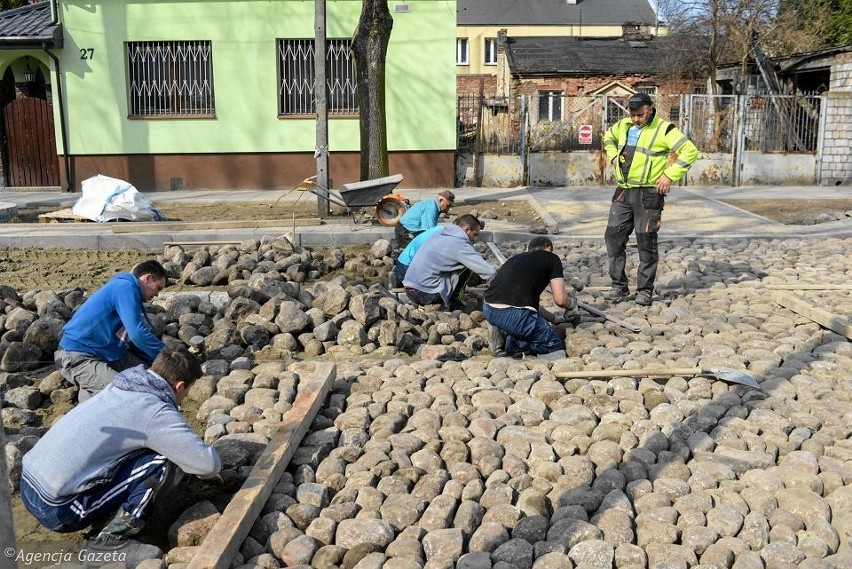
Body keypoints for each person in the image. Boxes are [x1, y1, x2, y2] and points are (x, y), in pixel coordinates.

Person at [20, 346, 221, 562]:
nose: (185, 397)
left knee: (142, 447)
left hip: (28, 483)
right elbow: (207, 464)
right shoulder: (153, 410)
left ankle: (105, 510)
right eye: (187, 391)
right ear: (179, 386)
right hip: (57, 508)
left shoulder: (120, 386)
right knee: (162, 461)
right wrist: (201, 471)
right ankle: (110, 541)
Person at [602, 92, 698, 306]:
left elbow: (690, 151)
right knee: (613, 238)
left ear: (650, 109)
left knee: (646, 242)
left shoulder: (664, 130)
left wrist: (669, 175)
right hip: (623, 191)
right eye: (633, 114)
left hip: (649, 194)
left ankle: (645, 290)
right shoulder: (624, 125)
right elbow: (608, 137)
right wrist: (612, 155)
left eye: (640, 115)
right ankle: (619, 287)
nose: (636, 119)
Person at [55, 260, 168, 402]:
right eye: (158, 288)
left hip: (106, 353)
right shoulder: (125, 287)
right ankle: (90, 405)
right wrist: (168, 357)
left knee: (147, 375)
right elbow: (137, 334)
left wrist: (156, 360)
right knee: (122, 391)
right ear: (148, 278)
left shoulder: (126, 288)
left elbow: (130, 337)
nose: (157, 294)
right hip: (77, 355)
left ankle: (91, 393)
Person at [483, 237, 574, 357]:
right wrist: (572, 304)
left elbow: (532, 307)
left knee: (525, 318)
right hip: (515, 314)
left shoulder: (515, 259)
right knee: (555, 344)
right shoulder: (552, 258)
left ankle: (501, 335)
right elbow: (561, 300)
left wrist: (553, 319)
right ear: (548, 247)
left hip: (488, 308)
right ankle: (513, 345)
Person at [403, 214, 495, 311]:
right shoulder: (460, 244)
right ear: (467, 229)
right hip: (426, 294)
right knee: (466, 267)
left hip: (410, 289)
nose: (475, 239)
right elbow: (490, 273)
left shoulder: (441, 233)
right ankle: (455, 302)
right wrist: (500, 292)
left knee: (457, 265)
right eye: (475, 234)